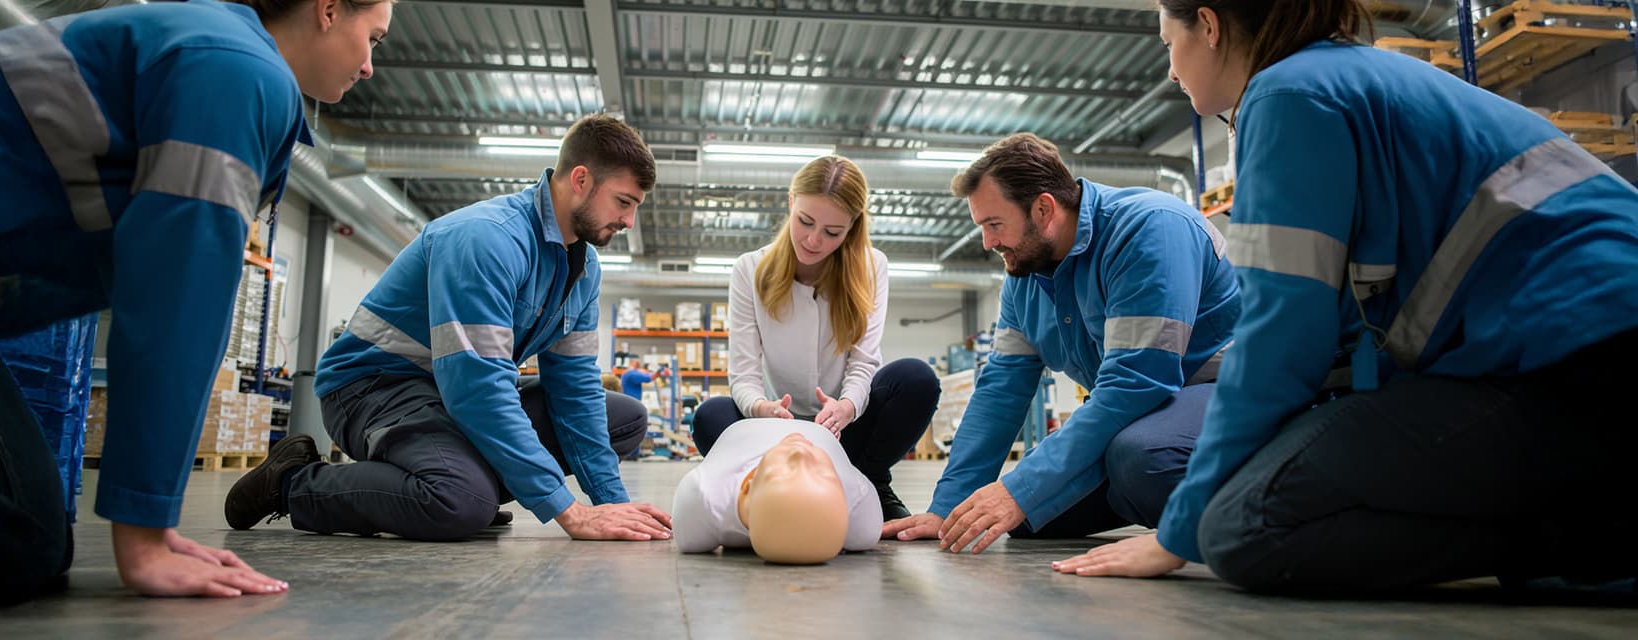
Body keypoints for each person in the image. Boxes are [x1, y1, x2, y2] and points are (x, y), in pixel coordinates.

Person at [1059, 0, 1638, 593]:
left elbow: (1281, 339)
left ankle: (1600, 541)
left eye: (1166, 44)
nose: (1171, 70)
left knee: (1239, 527)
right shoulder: (1345, 77)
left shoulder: (1288, 94)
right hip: (1575, 358)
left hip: (1581, 369)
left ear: (1208, 26)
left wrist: (1176, 534)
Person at [0, 0, 392, 604]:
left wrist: (157, 530)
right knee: (21, 536)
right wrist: (144, 536)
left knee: (30, 530)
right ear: (328, 10)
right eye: (373, 38)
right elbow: (177, 298)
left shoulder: (226, 56)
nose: (371, 65)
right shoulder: (236, 70)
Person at [224, 113, 673, 543]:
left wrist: (612, 507)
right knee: (459, 502)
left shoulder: (583, 270)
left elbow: (573, 387)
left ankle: (462, 477)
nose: (629, 221)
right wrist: (569, 512)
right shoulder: (486, 240)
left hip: (445, 395)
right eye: (624, 202)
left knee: (623, 418)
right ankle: (292, 481)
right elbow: (477, 387)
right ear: (581, 181)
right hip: (373, 390)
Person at [881, 133, 1240, 556]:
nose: (987, 242)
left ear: (1044, 209)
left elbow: (1137, 383)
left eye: (994, 224)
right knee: (1033, 518)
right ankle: (1142, 491)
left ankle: (1246, 514)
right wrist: (947, 508)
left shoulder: (1148, 229)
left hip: (1226, 391)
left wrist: (1022, 485)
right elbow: (1001, 391)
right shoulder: (1024, 279)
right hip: (1142, 413)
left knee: (1143, 458)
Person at [690, 155, 940, 521]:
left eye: (832, 232)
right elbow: (743, 376)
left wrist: (846, 407)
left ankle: (869, 480)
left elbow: (863, 362)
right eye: (805, 221)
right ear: (791, 202)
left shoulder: (873, 267)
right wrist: (763, 409)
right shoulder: (750, 269)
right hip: (779, 430)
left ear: (852, 227)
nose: (813, 239)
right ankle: (770, 482)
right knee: (710, 417)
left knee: (916, 380)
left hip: (844, 428)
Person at [673, 418, 880, 564]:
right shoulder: (857, 499)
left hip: (744, 429)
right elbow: (867, 523)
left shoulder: (705, 494)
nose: (801, 454)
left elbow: (688, 538)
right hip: (822, 428)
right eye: (822, 474)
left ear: (749, 485)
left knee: (709, 415)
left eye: (785, 473)